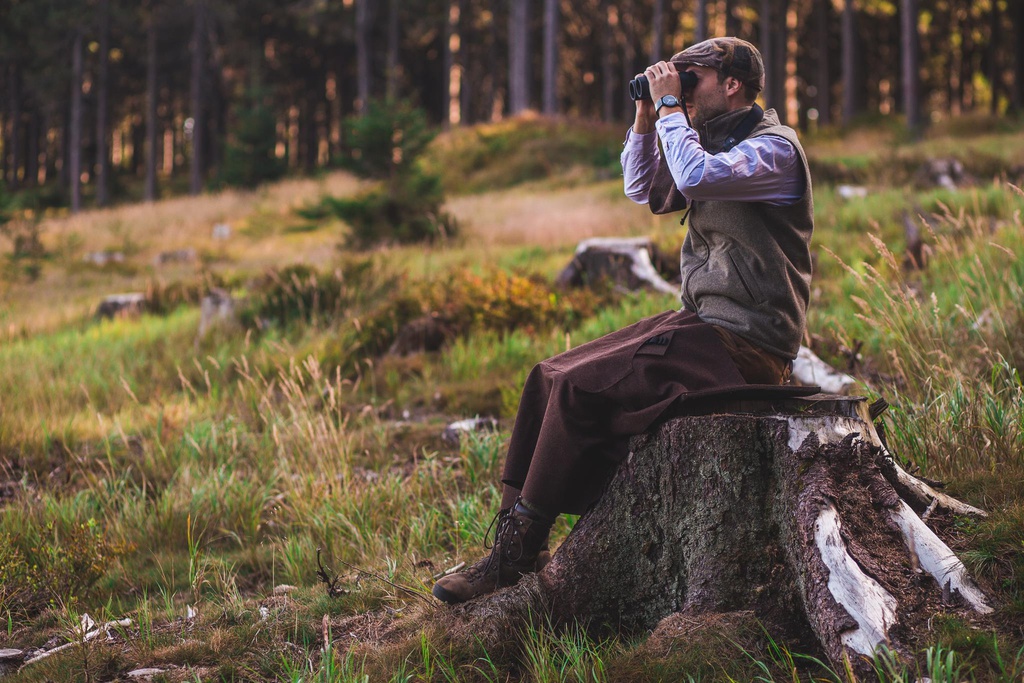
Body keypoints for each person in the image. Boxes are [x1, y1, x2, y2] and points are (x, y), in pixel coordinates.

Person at [432, 37, 813, 605]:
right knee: (549, 375)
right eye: (676, 78)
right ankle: (514, 542)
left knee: (581, 391)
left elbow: (695, 179)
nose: (681, 87)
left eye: (693, 77)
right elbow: (644, 188)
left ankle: (512, 561)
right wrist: (644, 114)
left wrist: (667, 108)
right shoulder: (709, 141)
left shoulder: (773, 152)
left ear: (733, 84)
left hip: (749, 342)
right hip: (704, 321)